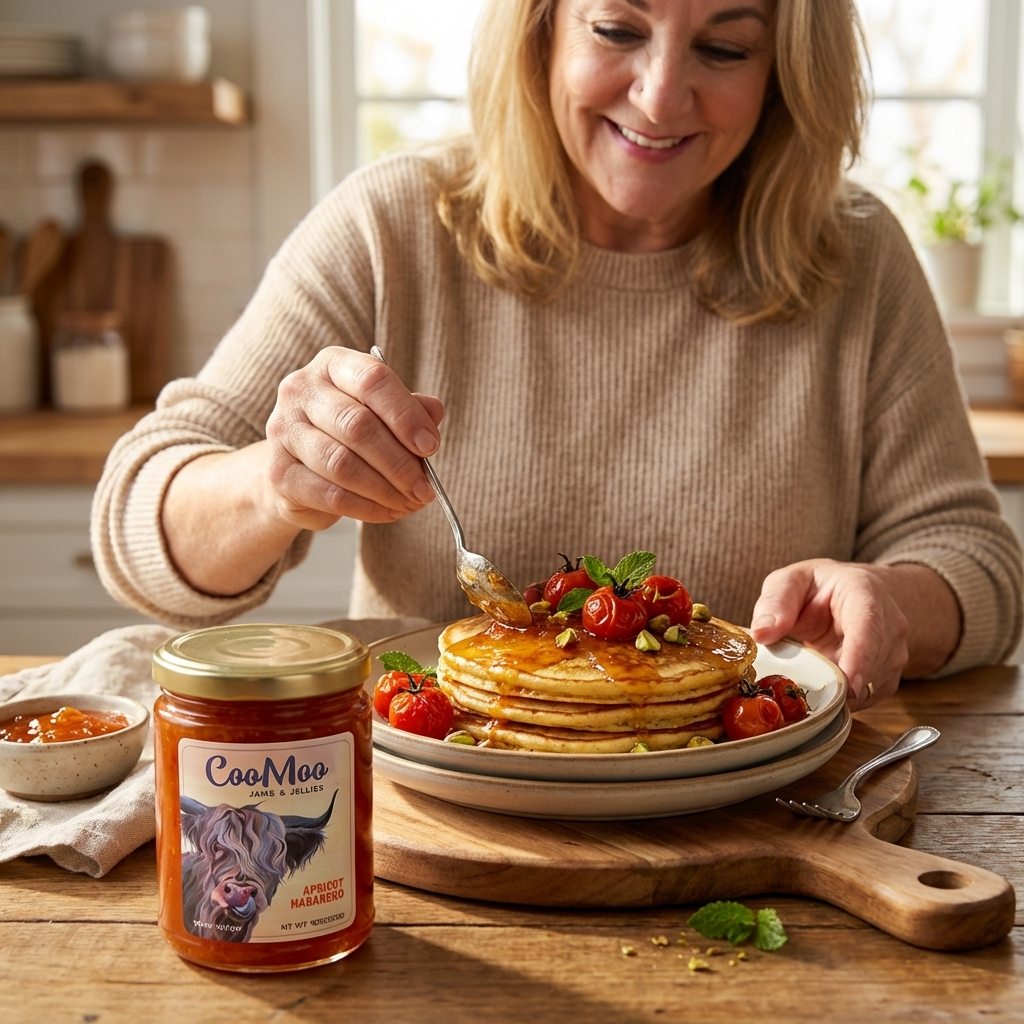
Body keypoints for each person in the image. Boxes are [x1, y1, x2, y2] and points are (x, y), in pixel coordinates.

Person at [93, 0, 1023, 709]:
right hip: (430, 826)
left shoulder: (859, 255)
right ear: (539, 32)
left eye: (725, 47)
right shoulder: (392, 227)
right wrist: (273, 485)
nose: (661, 96)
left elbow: (978, 564)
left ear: (786, 69)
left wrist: (890, 598)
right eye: (617, 28)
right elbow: (140, 526)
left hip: (755, 819)